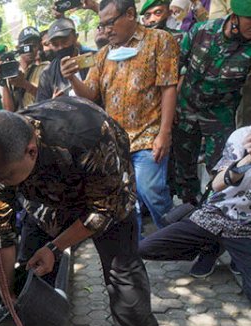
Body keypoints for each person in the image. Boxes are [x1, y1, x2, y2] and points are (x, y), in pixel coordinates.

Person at [0, 97, 158, 326]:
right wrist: (8, 291)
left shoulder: (89, 136)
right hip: (45, 201)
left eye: (5, 176)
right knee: (28, 269)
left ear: (31, 151)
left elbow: (102, 211)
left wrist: (56, 247)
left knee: (123, 274)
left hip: (106, 195)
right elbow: (1, 232)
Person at [62, 0, 179, 235]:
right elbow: (91, 94)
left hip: (149, 135)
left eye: (110, 23)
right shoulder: (103, 55)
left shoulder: (159, 41)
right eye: (102, 25)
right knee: (126, 202)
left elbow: (168, 87)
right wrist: (73, 78)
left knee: (150, 190)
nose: (106, 30)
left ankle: (177, 240)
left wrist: (164, 133)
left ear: (130, 15)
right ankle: (134, 252)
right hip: (115, 142)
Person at [140, 127, 251, 300]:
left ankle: (232, 252)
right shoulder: (242, 136)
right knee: (144, 248)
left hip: (246, 229)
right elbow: (217, 185)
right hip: (215, 214)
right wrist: (248, 159)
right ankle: (212, 246)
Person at [172, 0, 251, 208]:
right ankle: (188, 208)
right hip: (185, 109)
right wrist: (171, 107)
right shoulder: (201, 31)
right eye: (250, 20)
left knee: (221, 168)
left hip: (220, 115)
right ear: (234, 18)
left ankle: (214, 209)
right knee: (183, 169)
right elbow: (174, 68)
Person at [36, 18, 93, 101]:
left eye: (64, 41)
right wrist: (53, 103)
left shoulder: (95, 59)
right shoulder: (48, 74)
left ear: (75, 37)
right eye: (55, 44)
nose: (61, 47)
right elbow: (41, 107)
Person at [2, 27, 50, 111]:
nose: (30, 49)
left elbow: (48, 98)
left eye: (34, 45)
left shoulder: (45, 68)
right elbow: (8, 110)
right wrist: (2, 82)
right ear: (18, 48)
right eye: (27, 45)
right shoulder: (9, 70)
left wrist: (24, 84)